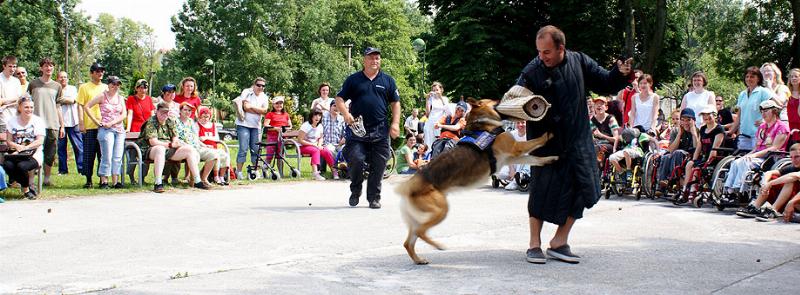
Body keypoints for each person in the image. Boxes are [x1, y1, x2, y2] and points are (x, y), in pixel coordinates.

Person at [515, 25, 632, 264]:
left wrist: (619, 73)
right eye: (539, 51)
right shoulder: (532, 71)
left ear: (561, 48)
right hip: (545, 141)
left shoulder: (579, 61)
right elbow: (514, 98)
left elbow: (605, 83)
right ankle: (534, 244)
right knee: (541, 190)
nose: (541, 56)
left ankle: (559, 241)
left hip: (577, 139)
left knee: (585, 187)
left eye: (546, 51)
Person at [335, 46, 401, 209]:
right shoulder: (353, 80)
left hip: (380, 129)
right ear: (364, 60)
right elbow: (339, 99)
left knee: (379, 165)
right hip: (357, 130)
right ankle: (355, 190)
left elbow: (395, 103)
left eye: (377, 57)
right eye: (371, 58)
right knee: (356, 159)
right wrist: (345, 114)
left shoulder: (388, 81)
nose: (374, 60)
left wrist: (395, 123)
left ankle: (374, 198)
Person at [138, 102, 209, 192]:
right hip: (149, 149)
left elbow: (175, 136)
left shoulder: (170, 121)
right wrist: (171, 145)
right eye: (162, 112)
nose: (165, 114)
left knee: (189, 150)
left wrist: (175, 142)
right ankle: (158, 183)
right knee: (160, 149)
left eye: (167, 112)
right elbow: (153, 142)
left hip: (168, 149)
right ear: (157, 111)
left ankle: (197, 181)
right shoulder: (151, 122)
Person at [724, 100, 789, 193]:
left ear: (774, 111)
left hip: (771, 157)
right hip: (759, 155)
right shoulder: (762, 127)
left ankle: (739, 189)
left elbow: (774, 148)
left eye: (766, 111)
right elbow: (756, 147)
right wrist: (749, 155)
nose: (763, 114)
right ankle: (729, 190)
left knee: (745, 162)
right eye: (762, 112)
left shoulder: (782, 127)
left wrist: (753, 156)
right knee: (737, 162)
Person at [737, 143, 800, 221]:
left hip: (796, 203)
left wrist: (770, 184)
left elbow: (794, 176)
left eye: (797, 157)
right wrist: (765, 184)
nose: (793, 160)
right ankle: (755, 207)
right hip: (791, 202)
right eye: (791, 157)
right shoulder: (792, 166)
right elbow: (769, 173)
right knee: (772, 177)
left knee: (790, 180)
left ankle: (773, 210)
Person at [27, 58, 65, 186]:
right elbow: (27, 103)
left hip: (52, 123)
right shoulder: (33, 84)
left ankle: (47, 178)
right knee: (32, 151)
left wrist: (62, 125)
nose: (48, 68)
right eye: (46, 66)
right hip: (35, 124)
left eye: (51, 66)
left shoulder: (57, 86)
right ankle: (31, 179)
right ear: (41, 68)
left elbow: (58, 106)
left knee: (50, 152)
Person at [83, 76, 127, 189]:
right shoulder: (102, 96)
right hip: (106, 129)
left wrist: (113, 122)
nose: (115, 87)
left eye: (117, 84)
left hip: (119, 129)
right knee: (106, 155)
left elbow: (124, 114)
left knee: (117, 156)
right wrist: (96, 121)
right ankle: (104, 181)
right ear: (108, 85)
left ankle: (115, 181)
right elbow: (87, 106)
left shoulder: (120, 98)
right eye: (113, 84)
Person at [3, 97, 45, 199]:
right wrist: (18, 147)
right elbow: (9, 141)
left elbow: (40, 141)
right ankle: (26, 186)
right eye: (26, 107)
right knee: (7, 165)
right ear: (19, 108)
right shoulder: (12, 121)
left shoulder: (38, 121)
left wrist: (25, 148)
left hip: (34, 154)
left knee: (22, 166)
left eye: (31, 107)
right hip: (16, 153)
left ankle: (26, 189)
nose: (29, 109)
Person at [77, 62, 108, 188]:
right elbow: (80, 105)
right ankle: (88, 179)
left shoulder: (106, 87)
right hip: (89, 125)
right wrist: (81, 122)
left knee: (103, 154)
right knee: (89, 154)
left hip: (104, 125)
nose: (100, 73)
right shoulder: (84, 87)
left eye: (102, 71)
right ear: (91, 73)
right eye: (97, 71)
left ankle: (103, 179)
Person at [682, 106, 725, 191]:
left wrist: (707, 163)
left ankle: (693, 189)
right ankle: (685, 188)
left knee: (696, 168)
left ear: (714, 115)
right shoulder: (703, 129)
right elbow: (699, 145)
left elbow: (715, 149)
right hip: (704, 157)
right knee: (689, 164)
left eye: (708, 114)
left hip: (714, 158)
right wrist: (694, 159)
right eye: (704, 115)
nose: (706, 117)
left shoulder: (719, 129)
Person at [234, 78, 270, 180]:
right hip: (243, 124)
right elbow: (245, 107)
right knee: (243, 148)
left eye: (263, 86)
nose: (261, 87)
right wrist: (258, 110)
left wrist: (252, 108)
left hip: (256, 126)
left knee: (256, 150)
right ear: (254, 85)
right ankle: (239, 172)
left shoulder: (264, 97)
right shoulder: (247, 92)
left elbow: (265, 111)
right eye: (258, 85)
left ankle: (255, 171)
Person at [176, 102, 218, 187]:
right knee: (192, 153)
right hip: (184, 148)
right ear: (180, 111)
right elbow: (176, 138)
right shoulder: (175, 122)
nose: (187, 112)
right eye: (185, 110)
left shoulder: (191, 122)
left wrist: (204, 145)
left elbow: (195, 138)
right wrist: (187, 146)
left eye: (189, 110)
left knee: (214, 154)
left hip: (197, 147)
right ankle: (195, 181)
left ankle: (204, 179)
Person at [732, 66, 772, 151]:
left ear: (758, 79)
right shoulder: (742, 94)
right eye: (747, 76)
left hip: (759, 134)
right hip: (744, 135)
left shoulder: (763, 92)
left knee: (755, 159)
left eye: (752, 77)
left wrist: (764, 121)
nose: (749, 79)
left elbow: (774, 110)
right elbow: (739, 116)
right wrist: (731, 131)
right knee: (742, 159)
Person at [656, 109, 697, 189]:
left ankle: (673, 179)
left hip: (690, 155)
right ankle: (662, 182)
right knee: (665, 157)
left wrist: (694, 134)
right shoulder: (675, 130)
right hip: (676, 156)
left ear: (693, 121)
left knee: (678, 152)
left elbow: (696, 147)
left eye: (688, 120)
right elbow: (671, 149)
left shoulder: (697, 130)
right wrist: (679, 135)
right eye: (683, 120)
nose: (685, 123)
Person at [125, 79, 155, 182]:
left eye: (145, 87)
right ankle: (131, 177)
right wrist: (128, 129)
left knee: (146, 155)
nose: (143, 90)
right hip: (135, 129)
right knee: (133, 156)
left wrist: (154, 129)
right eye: (140, 87)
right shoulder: (131, 99)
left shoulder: (149, 99)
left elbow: (152, 115)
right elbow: (130, 114)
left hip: (146, 131)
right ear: (136, 88)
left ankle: (142, 177)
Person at [56, 71, 83, 175]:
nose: (63, 79)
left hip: (73, 121)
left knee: (78, 146)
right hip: (59, 122)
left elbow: (74, 100)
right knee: (61, 148)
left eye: (65, 77)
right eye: (61, 77)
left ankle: (81, 169)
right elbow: (56, 101)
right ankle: (63, 170)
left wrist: (61, 100)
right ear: (57, 79)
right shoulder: (55, 89)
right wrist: (64, 100)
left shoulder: (72, 89)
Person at [298, 109, 336, 180]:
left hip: (315, 146)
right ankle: (315, 173)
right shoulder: (305, 125)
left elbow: (321, 138)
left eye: (319, 115)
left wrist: (319, 145)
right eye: (315, 115)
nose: (317, 117)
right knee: (315, 150)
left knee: (326, 151)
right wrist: (313, 145)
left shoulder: (320, 126)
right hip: (302, 146)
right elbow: (300, 140)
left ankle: (334, 171)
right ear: (311, 116)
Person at [197, 106, 230, 185]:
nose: (205, 119)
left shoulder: (213, 125)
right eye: (203, 117)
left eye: (207, 117)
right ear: (200, 116)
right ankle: (216, 177)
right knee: (216, 155)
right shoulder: (197, 125)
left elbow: (216, 138)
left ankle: (222, 177)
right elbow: (198, 139)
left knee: (225, 155)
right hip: (202, 148)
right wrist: (206, 140)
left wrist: (206, 137)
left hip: (214, 146)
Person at [263, 95, 292, 166]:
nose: (279, 105)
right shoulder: (270, 114)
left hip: (282, 137)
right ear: (273, 105)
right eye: (277, 103)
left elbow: (290, 125)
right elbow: (266, 125)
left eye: (280, 103)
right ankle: (265, 170)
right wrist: (275, 128)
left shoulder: (286, 114)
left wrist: (285, 129)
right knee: (269, 155)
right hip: (272, 137)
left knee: (280, 156)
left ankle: (281, 173)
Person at [589, 96, 620, 163]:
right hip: (597, 145)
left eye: (601, 104)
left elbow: (615, 139)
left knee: (598, 148)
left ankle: (598, 169)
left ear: (606, 107)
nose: (599, 105)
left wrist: (602, 136)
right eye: (597, 104)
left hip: (609, 145)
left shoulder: (610, 119)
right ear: (594, 107)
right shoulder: (592, 120)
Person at [423, 81, 449, 147]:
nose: (435, 92)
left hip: (439, 122)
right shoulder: (431, 99)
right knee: (429, 140)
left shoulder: (445, 99)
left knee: (437, 140)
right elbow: (427, 114)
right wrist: (427, 100)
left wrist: (440, 97)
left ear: (441, 90)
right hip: (431, 121)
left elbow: (447, 110)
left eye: (437, 90)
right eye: (434, 90)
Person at [0, 56, 22, 130]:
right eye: (10, 66)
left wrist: (5, 103)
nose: (12, 69)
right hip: (3, 120)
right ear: (4, 66)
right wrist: (13, 100)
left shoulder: (16, 81)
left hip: (15, 119)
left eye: (14, 66)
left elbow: (19, 100)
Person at [321, 100, 345, 164]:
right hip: (327, 144)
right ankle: (338, 165)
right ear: (330, 107)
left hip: (339, 144)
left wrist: (344, 138)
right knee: (330, 149)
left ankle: (343, 167)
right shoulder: (323, 118)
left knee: (345, 149)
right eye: (334, 106)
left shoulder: (342, 119)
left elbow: (346, 133)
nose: (336, 108)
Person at [786, 69, 800, 141]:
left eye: (796, 76)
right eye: (791, 76)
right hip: (789, 125)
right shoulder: (786, 92)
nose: (793, 78)